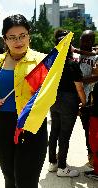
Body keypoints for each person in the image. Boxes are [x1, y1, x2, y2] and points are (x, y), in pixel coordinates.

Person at [0, 14, 47, 188]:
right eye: (12, 37)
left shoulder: (42, 61)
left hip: (30, 126)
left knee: (26, 180)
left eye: (22, 35)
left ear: (29, 35)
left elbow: (50, 94)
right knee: (10, 178)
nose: (19, 41)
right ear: (5, 39)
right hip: (1, 125)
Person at [48, 29, 86, 177]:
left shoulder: (52, 63)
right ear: (70, 46)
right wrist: (84, 103)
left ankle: (53, 163)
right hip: (69, 101)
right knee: (65, 135)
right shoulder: (72, 64)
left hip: (53, 100)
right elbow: (80, 88)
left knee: (54, 132)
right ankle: (62, 167)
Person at [75, 30, 98, 167]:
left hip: (91, 100)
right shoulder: (74, 56)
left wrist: (79, 80)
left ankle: (93, 156)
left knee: (92, 130)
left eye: (86, 40)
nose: (83, 42)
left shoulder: (96, 57)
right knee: (86, 129)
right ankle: (90, 154)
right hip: (76, 98)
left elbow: (96, 76)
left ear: (92, 41)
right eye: (82, 39)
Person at [84, 82, 98, 180]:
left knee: (95, 145)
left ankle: (97, 172)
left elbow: (94, 103)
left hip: (96, 117)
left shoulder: (97, 86)